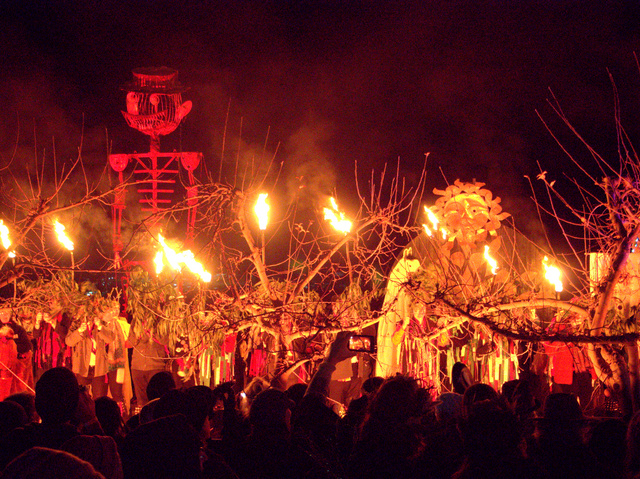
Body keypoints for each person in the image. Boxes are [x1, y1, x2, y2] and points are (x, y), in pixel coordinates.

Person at [65, 312, 115, 399]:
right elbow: (68, 341)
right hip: (82, 366)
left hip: (99, 367)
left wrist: (100, 327)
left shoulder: (101, 322)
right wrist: (79, 331)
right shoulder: (77, 323)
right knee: (82, 398)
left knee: (100, 398)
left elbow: (111, 338)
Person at [125, 323, 168, 408]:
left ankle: (156, 418)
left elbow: (165, 340)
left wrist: (151, 331)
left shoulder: (160, 321)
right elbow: (130, 343)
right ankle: (142, 418)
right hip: (137, 365)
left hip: (156, 365)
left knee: (156, 398)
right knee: (141, 400)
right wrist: (139, 333)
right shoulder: (136, 322)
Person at [33, 301, 72, 381]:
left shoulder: (64, 315)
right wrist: (37, 321)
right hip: (44, 358)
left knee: (58, 384)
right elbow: (36, 335)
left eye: (53, 300)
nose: (50, 303)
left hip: (59, 358)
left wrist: (51, 321)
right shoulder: (44, 314)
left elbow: (64, 333)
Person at [0, 307, 33, 398]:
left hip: (15, 369)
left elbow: (27, 346)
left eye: (6, 312)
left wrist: (12, 347)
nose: (4, 315)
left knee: (16, 393)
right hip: (1, 369)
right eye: (1, 313)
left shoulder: (18, 329)